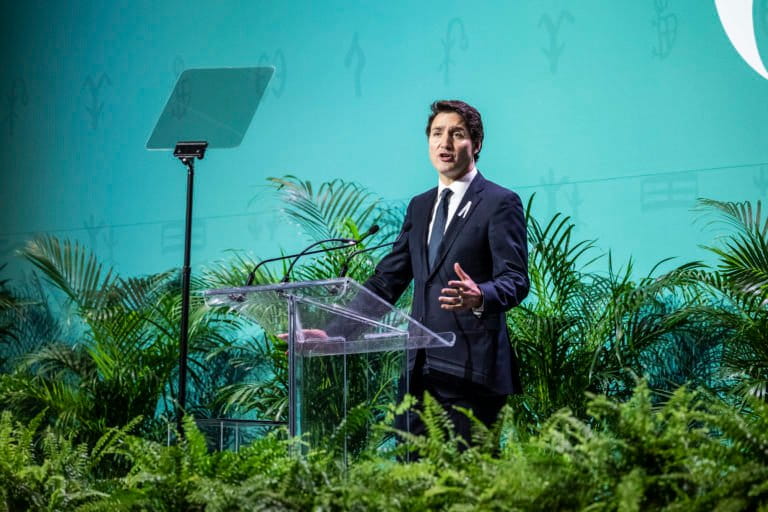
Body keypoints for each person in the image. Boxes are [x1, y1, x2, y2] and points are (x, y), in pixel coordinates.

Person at [362, 99, 530, 444]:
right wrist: (331, 330)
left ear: (477, 144)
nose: (445, 143)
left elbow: (516, 280)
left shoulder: (500, 202)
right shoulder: (420, 206)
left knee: (469, 485)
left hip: (472, 372)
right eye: (437, 133)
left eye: (457, 134)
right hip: (418, 376)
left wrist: (480, 294)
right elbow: (386, 281)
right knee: (414, 484)